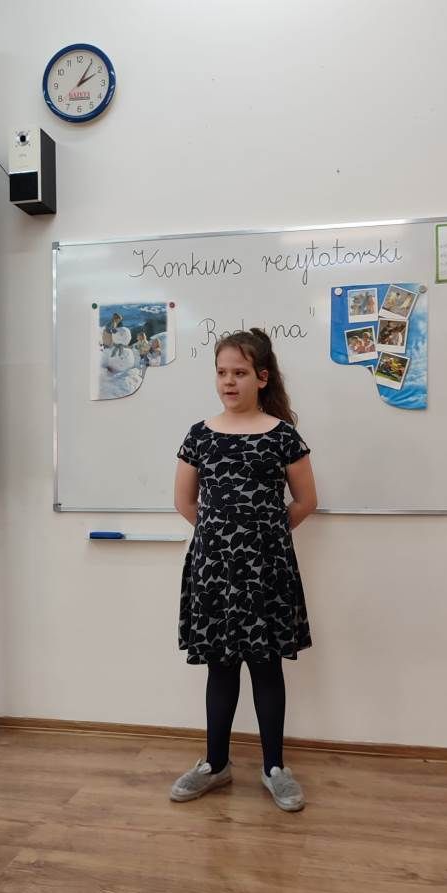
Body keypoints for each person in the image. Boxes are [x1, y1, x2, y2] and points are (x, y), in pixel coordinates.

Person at [171, 327, 317, 812]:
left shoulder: (283, 436)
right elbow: (185, 502)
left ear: (261, 378)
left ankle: (275, 767)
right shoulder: (199, 435)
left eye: (239, 372)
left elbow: (306, 501)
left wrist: (265, 535)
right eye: (221, 372)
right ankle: (216, 764)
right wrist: (222, 538)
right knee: (221, 665)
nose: (229, 381)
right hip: (213, 569)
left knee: (266, 665)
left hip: (267, 570)